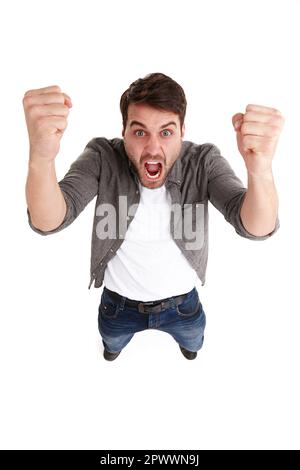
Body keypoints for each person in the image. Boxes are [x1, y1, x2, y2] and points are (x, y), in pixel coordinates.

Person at [23, 73, 284, 361]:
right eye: (139, 132)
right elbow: (49, 220)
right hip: (117, 305)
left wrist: (260, 170)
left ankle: (189, 349)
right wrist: (41, 157)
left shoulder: (203, 162)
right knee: (111, 342)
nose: (152, 148)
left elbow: (256, 227)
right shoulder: (103, 156)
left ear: (183, 131)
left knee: (194, 342)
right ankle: (112, 350)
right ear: (123, 131)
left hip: (184, 306)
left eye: (166, 132)